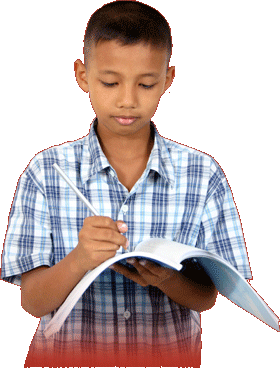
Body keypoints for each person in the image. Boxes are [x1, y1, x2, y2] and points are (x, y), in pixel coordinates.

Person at [0, 1, 251, 367]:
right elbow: (32, 302)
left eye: (146, 84)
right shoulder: (46, 171)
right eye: (110, 82)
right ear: (83, 76)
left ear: (167, 79)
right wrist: (79, 260)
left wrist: (166, 280)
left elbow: (208, 296)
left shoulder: (202, 173)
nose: (128, 100)